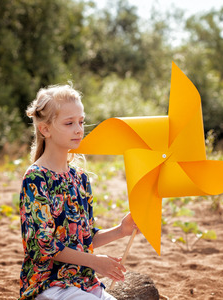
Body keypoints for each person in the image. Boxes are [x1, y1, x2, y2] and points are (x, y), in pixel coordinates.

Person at [19, 84, 137, 300]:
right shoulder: (36, 178)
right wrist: (95, 261)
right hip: (50, 286)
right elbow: (44, 245)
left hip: (85, 284)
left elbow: (84, 238)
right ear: (45, 129)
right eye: (69, 123)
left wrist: (121, 230)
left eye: (81, 122)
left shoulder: (80, 178)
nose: (78, 129)